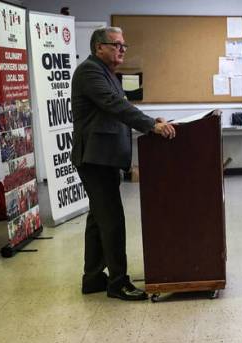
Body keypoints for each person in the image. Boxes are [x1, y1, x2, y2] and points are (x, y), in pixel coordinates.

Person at [71, 26, 176, 301]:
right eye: (116, 44)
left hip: (104, 158)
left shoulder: (108, 74)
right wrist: (151, 125)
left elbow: (123, 106)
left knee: (98, 219)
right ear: (98, 48)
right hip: (94, 159)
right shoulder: (89, 71)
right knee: (112, 221)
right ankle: (118, 282)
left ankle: (92, 277)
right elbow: (113, 105)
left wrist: (152, 121)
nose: (122, 49)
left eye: (123, 46)